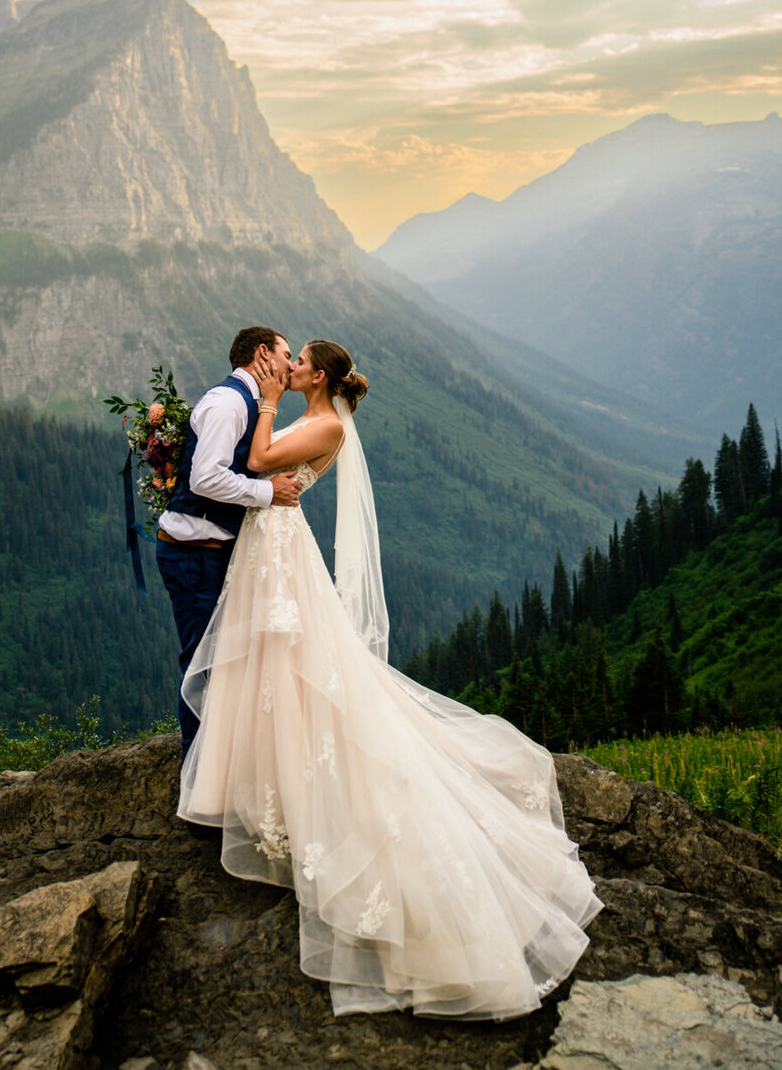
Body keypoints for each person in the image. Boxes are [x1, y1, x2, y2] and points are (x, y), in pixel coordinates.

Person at [178, 338, 603, 1021]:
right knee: (275, 670)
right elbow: (262, 475)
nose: (285, 367)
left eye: (297, 362)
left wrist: (263, 403)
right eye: (283, 360)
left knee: (293, 670)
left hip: (281, 550)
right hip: (273, 545)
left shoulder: (322, 422)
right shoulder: (319, 414)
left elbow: (258, 462)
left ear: (315, 376)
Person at [156, 325, 301, 759]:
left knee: (220, 661)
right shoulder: (227, 403)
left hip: (209, 552)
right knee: (204, 665)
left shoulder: (248, 403)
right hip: (193, 554)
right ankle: (195, 776)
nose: (291, 365)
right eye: (286, 354)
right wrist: (267, 492)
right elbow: (205, 478)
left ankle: (215, 771)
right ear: (263, 354)